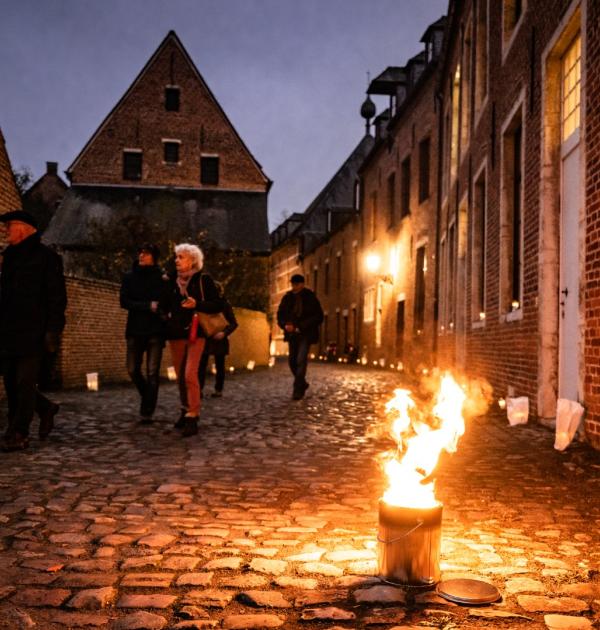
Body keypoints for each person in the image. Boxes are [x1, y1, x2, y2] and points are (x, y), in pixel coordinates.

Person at [0, 210, 67, 451]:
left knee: (25, 382)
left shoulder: (47, 257)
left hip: (34, 332)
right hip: (8, 331)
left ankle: (18, 432)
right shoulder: (8, 257)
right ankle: (46, 408)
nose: (6, 230)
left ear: (26, 227)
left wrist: (53, 331)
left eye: (10, 225)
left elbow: (57, 297)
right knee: (11, 382)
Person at [163, 243, 222, 437]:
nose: (177, 260)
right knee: (181, 376)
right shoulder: (170, 280)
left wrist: (197, 303)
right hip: (176, 333)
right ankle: (184, 408)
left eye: (181, 257)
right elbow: (164, 303)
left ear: (193, 260)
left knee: (190, 373)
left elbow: (216, 304)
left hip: (197, 332)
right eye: (176, 257)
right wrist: (166, 314)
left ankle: (193, 414)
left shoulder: (203, 280)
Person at [120, 243, 167, 424]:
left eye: (146, 254)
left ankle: (147, 411)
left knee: (152, 372)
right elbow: (124, 301)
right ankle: (147, 395)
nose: (142, 256)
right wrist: (147, 306)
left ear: (154, 257)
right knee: (132, 369)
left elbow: (166, 300)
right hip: (135, 329)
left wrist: (161, 309)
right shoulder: (130, 277)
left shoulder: (161, 278)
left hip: (155, 330)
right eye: (140, 252)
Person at [277, 273, 323, 400]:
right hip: (292, 335)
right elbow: (280, 314)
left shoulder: (310, 297)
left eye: (296, 284)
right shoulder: (287, 298)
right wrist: (284, 325)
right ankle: (302, 383)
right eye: (292, 284)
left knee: (301, 360)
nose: (294, 287)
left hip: (305, 334)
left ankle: (297, 390)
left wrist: (301, 326)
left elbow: (318, 316)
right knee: (292, 361)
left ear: (302, 284)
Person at [198, 283, 238, 398]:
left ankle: (218, 389)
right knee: (201, 365)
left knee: (220, 365)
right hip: (205, 337)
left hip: (220, 338)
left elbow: (234, 323)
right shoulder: (203, 304)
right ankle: (199, 389)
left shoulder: (225, 305)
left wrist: (224, 333)